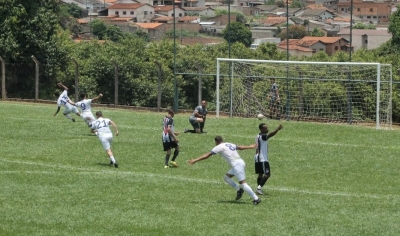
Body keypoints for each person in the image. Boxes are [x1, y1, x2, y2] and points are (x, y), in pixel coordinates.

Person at [187, 136, 261, 205]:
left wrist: (195, 160)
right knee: (226, 178)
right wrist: (250, 146)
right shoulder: (228, 144)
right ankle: (239, 190)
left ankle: (256, 198)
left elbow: (207, 155)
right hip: (240, 162)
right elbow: (240, 147)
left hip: (236, 165)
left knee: (243, 183)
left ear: (216, 142)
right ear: (222, 140)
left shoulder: (218, 147)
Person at [254, 123, 283, 195]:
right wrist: (277, 129)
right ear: (261, 129)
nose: (267, 129)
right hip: (262, 158)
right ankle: (259, 188)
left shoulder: (258, 135)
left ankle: (259, 189)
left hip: (257, 157)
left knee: (260, 174)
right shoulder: (263, 136)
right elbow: (270, 135)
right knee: (267, 174)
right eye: (265, 128)